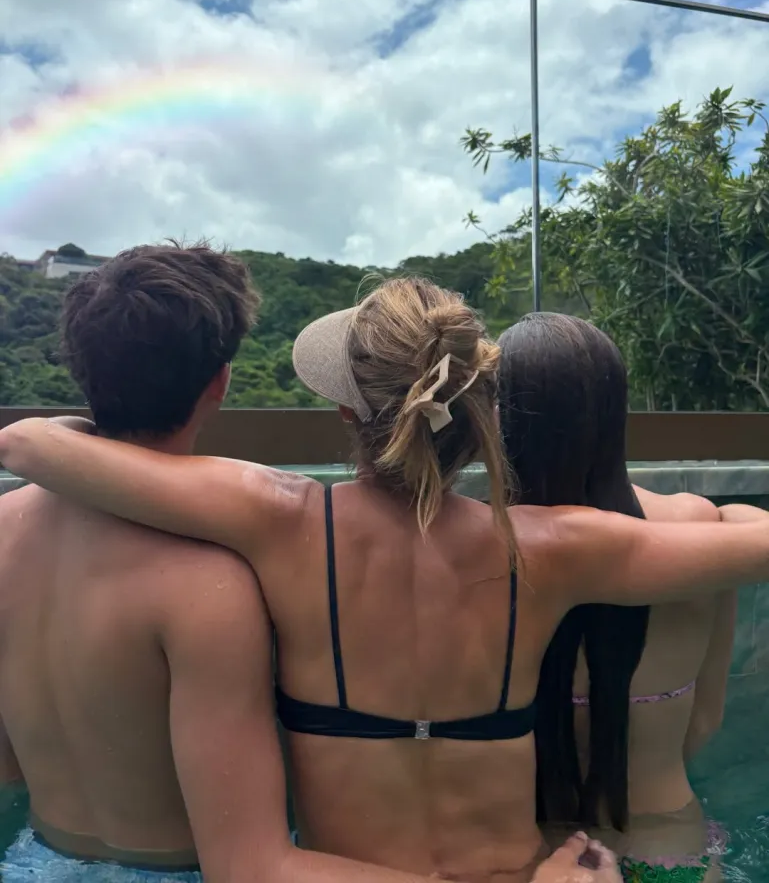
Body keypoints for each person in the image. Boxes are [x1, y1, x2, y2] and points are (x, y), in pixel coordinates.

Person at [5, 277, 769, 882]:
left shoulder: (279, 519)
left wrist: (64, 425)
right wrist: (719, 517)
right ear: (480, 406)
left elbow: (29, 446)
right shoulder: (554, 549)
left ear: (344, 405)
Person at [0, 244, 540, 883]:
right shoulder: (209, 580)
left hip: (32, 860)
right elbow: (253, 867)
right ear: (220, 382)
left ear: (82, 365)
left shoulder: (5, 531)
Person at [496, 312, 736, 883]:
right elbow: (706, 719)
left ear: (500, 419)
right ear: (615, 412)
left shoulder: (477, 545)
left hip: (540, 858)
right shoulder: (697, 528)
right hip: (672, 847)